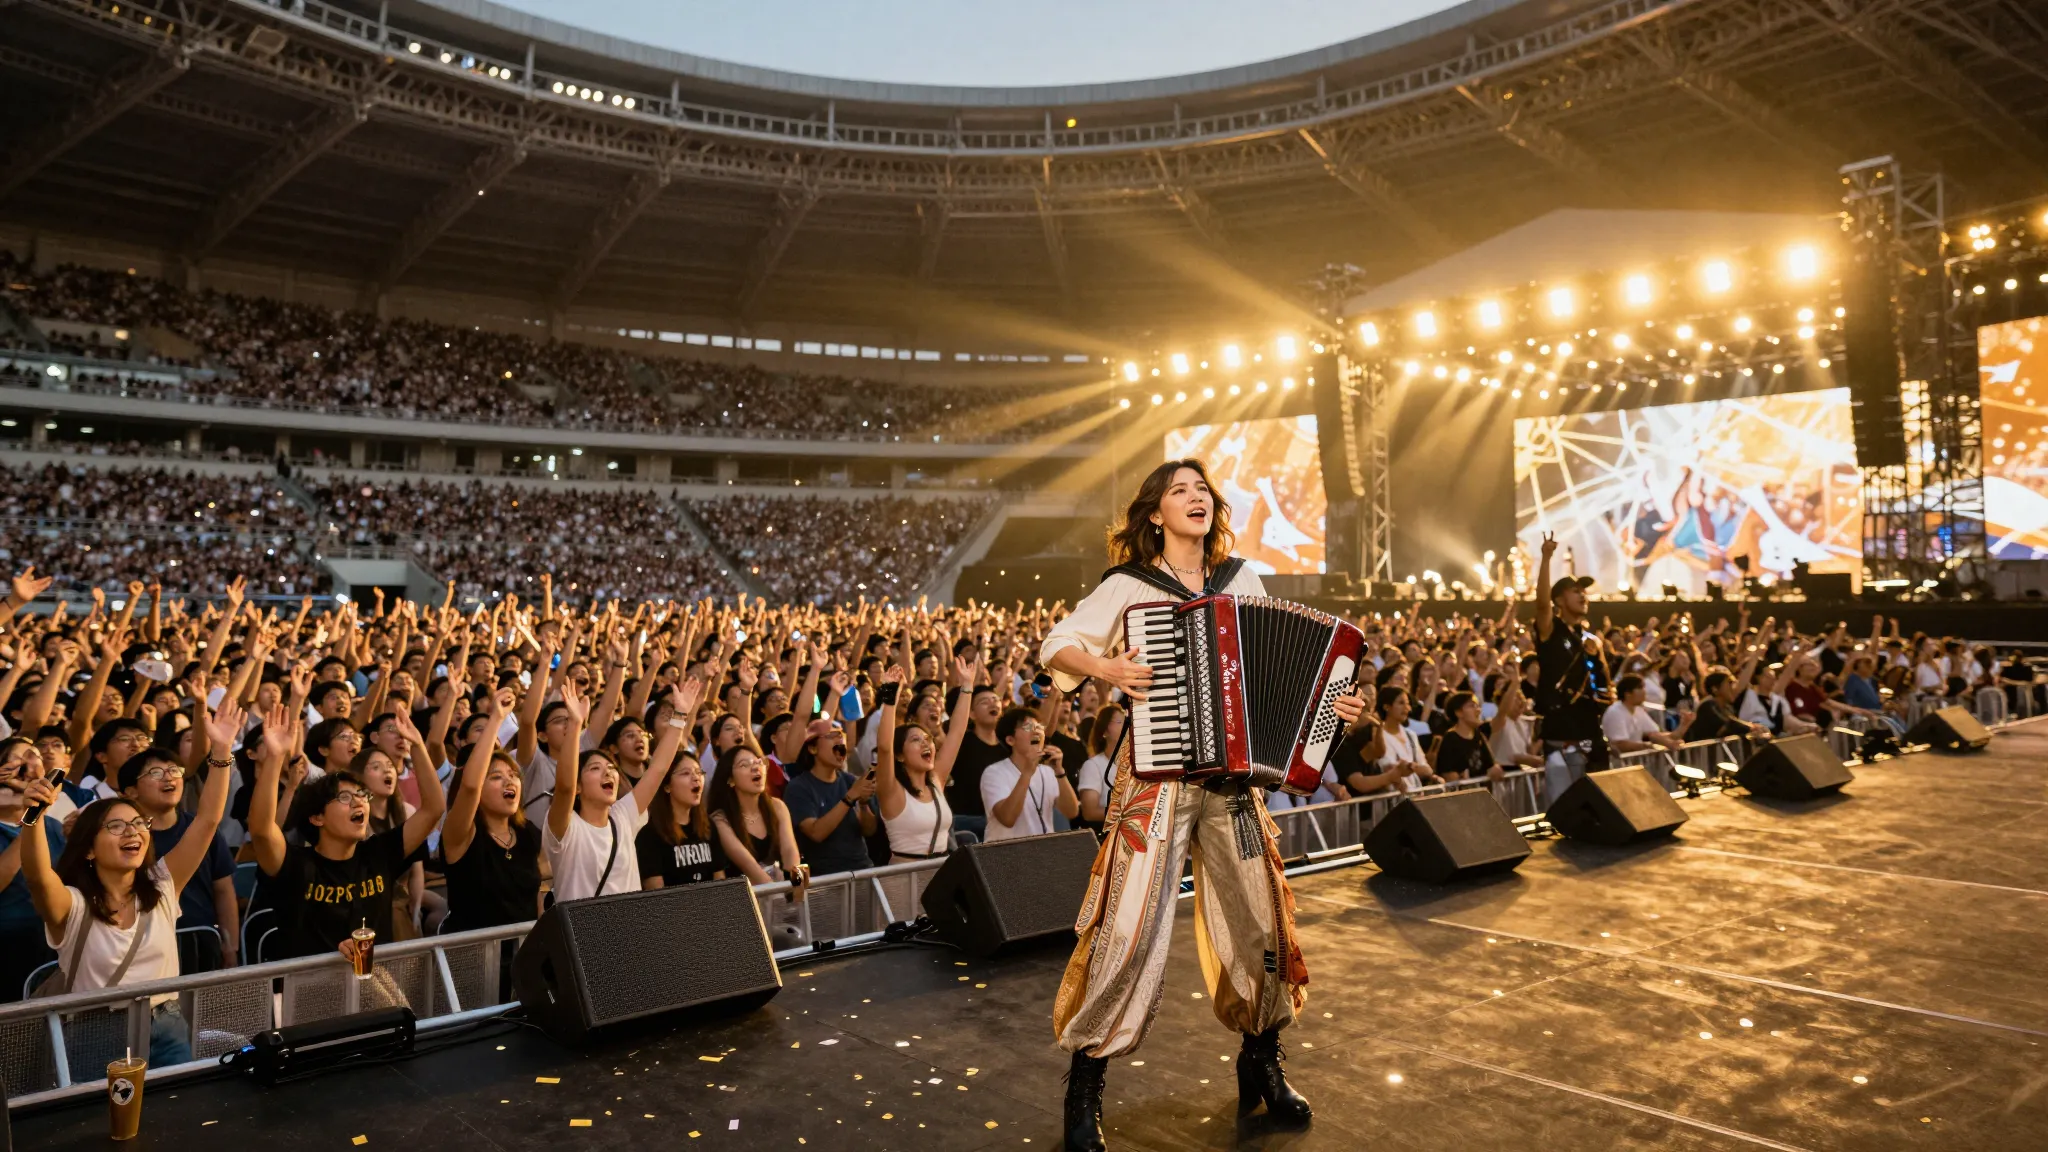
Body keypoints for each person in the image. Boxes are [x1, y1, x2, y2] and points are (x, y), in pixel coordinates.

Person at [1037, 459, 1365, 1150]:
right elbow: (1056, 646)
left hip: (1234, 786)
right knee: (1127, 929)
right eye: (1178, 491)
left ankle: (1262, 1059)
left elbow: (1284, 680)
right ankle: (1086, 1082)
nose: (1195, 498)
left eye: (1202, 490)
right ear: (1154, 514)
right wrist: (1107, 667)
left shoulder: (1241, 580)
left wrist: (1335, 710)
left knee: (1261, 922)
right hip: (1156, 781)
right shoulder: (1128, 586)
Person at [14, 697, 236, 1072]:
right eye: (116, 826)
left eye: (137, 824)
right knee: (101, 1110)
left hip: (167, 1024)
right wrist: (33, 818)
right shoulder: (73, 905)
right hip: (96, 1030)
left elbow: (207, 821)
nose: (132, 832)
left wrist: (222, 750)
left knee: (177, 1104)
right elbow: (37, 876)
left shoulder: (162, 887)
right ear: (88, 848)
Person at [247, 698, 447, 960]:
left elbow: (433, 808)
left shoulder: (379, 853)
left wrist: (417, 745)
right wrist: (275, 758)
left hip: (376, 981)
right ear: (317, 817)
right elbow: (261, 830)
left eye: (362, 795)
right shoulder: (296, 864)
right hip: (312, 984)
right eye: (344, 797)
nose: (358, 802)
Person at [544, 681, 698, 903]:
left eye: (611, 768)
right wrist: (576, 725)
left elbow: (658, 768)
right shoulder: (566, 826)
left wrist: (680, 716)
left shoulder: (622, 816)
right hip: (582, 926)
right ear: (578, 786)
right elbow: (565, 787)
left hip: (631, 926)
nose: (608, 772)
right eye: (595, 768)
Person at [120, 746, 240, 971]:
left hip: (202, 943)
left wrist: (230, 945)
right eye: (156, 773)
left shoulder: (201, 831)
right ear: (131, 791)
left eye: (174, 770)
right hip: (145, 950)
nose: (169, 778)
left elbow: (223, 889)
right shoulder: (126, 841)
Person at [438, 687, 544, 931]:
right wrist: (495, 718)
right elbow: (470, 787)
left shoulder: (527, 833)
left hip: (524, 952)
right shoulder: (460, 834)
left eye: (513, 774)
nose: (509, 781)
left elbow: (538, 896)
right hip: (474, 953)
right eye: (495, 777)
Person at [1532, 533, 1614, 788]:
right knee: (1564, 798)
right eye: (1575, 591)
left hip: (1590, 731)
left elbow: (1605, 685)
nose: (1583, 596)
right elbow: (1541, 605)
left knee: (1596, 796)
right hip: (1561, 732)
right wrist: (1546, 558)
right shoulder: (1551, 631)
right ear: (1559, 600)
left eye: (1584, 592)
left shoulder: (1590, 640)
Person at [874, 664, 971, 863]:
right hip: (905, 877)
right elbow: (884, 747)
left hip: (941, 873)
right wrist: (890, 693)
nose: (926, 743)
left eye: (927, 739)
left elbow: (957, 732)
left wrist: (967, 686)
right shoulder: (891, 790)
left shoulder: (935, 781)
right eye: (915, 740)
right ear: (900, 755)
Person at [0, 737, 66, 1000]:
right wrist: (32, 817)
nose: (26, 769)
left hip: (50, 952)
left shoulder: (54, 828)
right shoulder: (39, 822)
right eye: (16, 761)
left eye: (33, 757)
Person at [783, 711, 880, 877]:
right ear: (812, 748)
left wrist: (863, 805)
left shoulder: (850, 780)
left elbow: (869, 831)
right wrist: (850, 798)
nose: (840, 740)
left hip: (863, 870)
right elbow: (816, 833)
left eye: (841, 736)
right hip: (826, 878)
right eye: (831, 736)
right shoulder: (798, 787)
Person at [979, 707, 1079, 842]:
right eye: (1028, 727)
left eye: (1039, 727)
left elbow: (1071, 812)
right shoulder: (994, 773)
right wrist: (1027, 773)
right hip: (1006, 851)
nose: (1036, 731)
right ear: (1010, 740)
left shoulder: (1049, 771)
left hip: (1044, 851)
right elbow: (1007, 819)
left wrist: (1060, 772)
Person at [636, 750, 726, 888]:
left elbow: (720, 882)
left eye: (699, 772)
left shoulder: (708, 826)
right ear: (667, 786)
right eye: (685, 773)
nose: (696, 778)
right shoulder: (649, 835)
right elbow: (656, 894)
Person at [1428, 691, 1504, 782]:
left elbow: (1491, 766)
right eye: (1472, 706)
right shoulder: (1450, 739)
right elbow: (1450, 776)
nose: (1478, 710)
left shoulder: (1478, 735)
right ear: (1459, 713)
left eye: (1478, 706)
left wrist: (1495, 770)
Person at [1073, 703, 1125, 832]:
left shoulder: (1134, 764)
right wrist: (1127, 814)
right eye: (1119, 722)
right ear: (1105, 731)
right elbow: (1090, 812)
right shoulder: (1093, 766)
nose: (1126, 726)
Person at [1601, 675, 1682, 755]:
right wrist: (1646, 746)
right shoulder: (1615, 712)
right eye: (1640, 688)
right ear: (1628, 694)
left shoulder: (1638, 710)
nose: (1644, 691)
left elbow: (1654, 735)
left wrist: (1672, 740)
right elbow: (1619, 744)